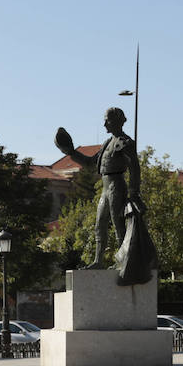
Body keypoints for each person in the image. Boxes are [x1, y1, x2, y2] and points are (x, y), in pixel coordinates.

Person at [55, 107, 143, 270]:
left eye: (107, 120)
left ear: (117, 121)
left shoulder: (126, 143)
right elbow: (90, 163)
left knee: (118, 225)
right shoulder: (107, 143)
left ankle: (123, 261)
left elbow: (135, 168)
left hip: (117, 185)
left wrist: (134, 193)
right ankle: (98, 261)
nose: (104, 124)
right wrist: (71, 152)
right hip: (105, 187)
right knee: (100, 224)